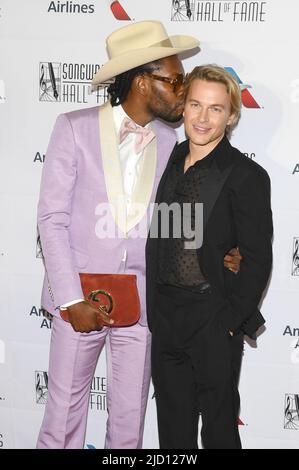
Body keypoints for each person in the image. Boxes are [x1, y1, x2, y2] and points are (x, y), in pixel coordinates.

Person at [36, 21, 241, 449]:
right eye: (174, 80)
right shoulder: (73, 127)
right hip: (80, 300)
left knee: (129, 425)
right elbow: (51, 218)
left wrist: (217, 254)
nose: (183, 91)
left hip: (145, 305)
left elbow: (172, 222)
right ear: (143, 80)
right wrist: (71, 299)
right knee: (62, 419)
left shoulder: (172, 144)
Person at [146, 65, 273, 449]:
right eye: (196, 105)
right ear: (182, 107)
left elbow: (258, 258)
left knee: (218, 429)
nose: (203, 118)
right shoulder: (166, 158)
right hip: (166, 314)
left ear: (231, 115)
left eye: (216, 109)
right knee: (172, 430)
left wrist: (230, 323)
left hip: (212, 317)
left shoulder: (246, 175)